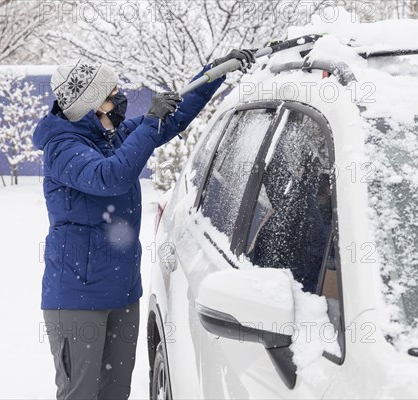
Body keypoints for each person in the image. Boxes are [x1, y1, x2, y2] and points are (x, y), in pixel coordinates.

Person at [33, 50, 254, 400]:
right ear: (92, 106)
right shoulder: (63, 148)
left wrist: (215, 72)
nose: (120, 98)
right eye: (111, 93)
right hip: (77, 298)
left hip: (122, 292)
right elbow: (111, 176)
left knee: (115, 392)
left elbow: (173, 118)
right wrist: (150, 123)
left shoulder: (111, 138)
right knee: (80, 394)